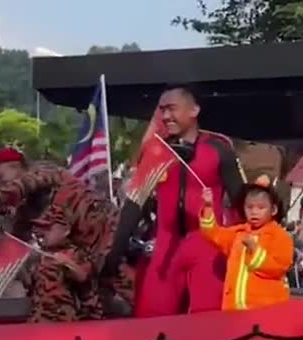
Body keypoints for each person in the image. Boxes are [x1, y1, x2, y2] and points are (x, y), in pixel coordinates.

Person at [112, 84, 246, 317]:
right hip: (165, 243)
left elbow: (241, 201)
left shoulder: (218, 149)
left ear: (194, 110)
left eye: (171, 109)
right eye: (162, 110)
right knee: (151, 317)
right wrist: (114, 253)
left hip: (207, 244)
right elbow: (135, 204)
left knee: (209, 318)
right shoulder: (156, 150)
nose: (165, 116)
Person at [0, 147, 121, 322]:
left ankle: (50, 331)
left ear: (19, 169)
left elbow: (22, 185)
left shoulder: (46, 172)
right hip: (87, 262)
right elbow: (16, 242)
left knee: (51, 265)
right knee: (52, 264)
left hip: (113, 249)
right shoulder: (27, 209)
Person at [199, 175, 292, 310]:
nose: (254, 212)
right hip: (234, 309)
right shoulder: (239, 233)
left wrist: (255, 250)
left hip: (266, 310)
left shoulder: (280, 236)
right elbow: (214, 234)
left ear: (273, 210)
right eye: (249, 207)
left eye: (261, 208)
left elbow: (278, 268)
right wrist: (208, 206)